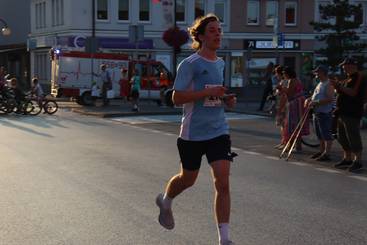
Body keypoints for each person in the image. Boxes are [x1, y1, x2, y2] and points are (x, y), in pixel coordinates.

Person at [155, 14, 237, 245]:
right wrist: (207, 93)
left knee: (222, 182)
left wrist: (226, 100)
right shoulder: (189, 64)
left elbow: (215, 96)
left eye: (219, 30)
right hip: (192, 134)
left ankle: (224, 239)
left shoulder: (220, 63)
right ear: (200, 36)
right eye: (212, 30)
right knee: (188, 179)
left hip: (218, 131)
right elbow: (176, 97)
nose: (217, 34)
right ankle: (166, 201)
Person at [331, 58, 366, 172]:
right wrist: (338, 86)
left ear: (352, 66)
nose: (343, 68)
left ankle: (358, 161)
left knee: (353, 135)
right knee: (342, 136)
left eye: (345, 65)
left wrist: (339, 86)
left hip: (352, 112)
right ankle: (347, 158)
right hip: (342, 112)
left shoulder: (358, 77)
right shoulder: (347, 79)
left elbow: (353, 92)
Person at [304, 65, 335, 161]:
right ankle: (321, 151)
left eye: (317, 72)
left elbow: (330, 99)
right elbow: (316, 96)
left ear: (322, 73)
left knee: (326, 133)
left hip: (324, 112)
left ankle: (327, 153)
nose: (315, 74)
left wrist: (315, 102)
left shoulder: (328, 83)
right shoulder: (320, 83)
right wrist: (308, 99)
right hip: (317, 111)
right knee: (319, 133)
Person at [278, 66, 309, 152]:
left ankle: (291, 146)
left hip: (295, 103)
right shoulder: (297, 79)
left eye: (284, 74)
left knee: (292, 125)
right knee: (297, 125)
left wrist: (281, 88)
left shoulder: (291, 81)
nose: (283, 75)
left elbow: (290, 93)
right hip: (299, 103)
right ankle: (297, 146)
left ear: (288, 74)